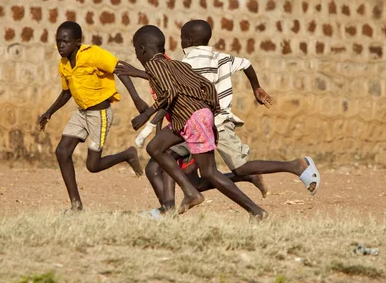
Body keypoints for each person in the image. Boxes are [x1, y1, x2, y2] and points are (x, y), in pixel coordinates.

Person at [120, 20, 321, 211]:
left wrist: (146, 113)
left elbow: (171, 89)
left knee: (228, 169)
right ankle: (170, 207)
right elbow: (242, 66)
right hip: (208, 118)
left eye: (181, 38)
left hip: (204, 121)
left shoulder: (187, 61)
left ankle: (293, 167)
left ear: (187, 42)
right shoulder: (218, 58)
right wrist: (255, 88)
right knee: (170, 162)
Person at [123, 25, 267, 218]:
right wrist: (213, 113)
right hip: (195, 117)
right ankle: (188, 195)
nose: (137, 56)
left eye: (135, 51)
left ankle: (253, 210)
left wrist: (145, 115)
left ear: (141, 49)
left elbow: (170, 93)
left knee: (209, 173)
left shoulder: (154, 65)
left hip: (191, 120)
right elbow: (207, 86)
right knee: (156, 147)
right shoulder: (176, 64)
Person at [39, 21, 147, 213]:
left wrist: (137, 99)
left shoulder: (93, 54)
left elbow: (119, 68)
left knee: (93, 165)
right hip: (81, 113)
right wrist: (49, 112)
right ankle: (76, 204)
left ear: (77, 42)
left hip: (100, 114)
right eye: (58, 41)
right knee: (62, 152)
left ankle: (128, 154)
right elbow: (66, 93)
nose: (61, 45)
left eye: (65, 41)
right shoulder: (63, 64)